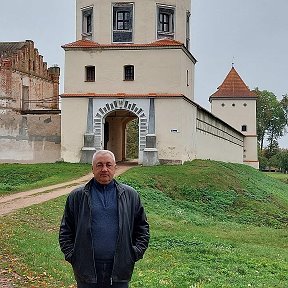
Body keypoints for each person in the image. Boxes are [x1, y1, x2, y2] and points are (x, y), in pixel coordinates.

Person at [59, 150, 150, 288]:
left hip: (119, 270)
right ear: (92, 168)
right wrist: (73, 256)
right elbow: (66, 230)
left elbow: (142, 228)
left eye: (108, 165)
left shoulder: (130, 195)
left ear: (115, 167)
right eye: (99, 165)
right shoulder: (77, 196)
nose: (104, 169)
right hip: (87, 270)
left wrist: (133, 253)